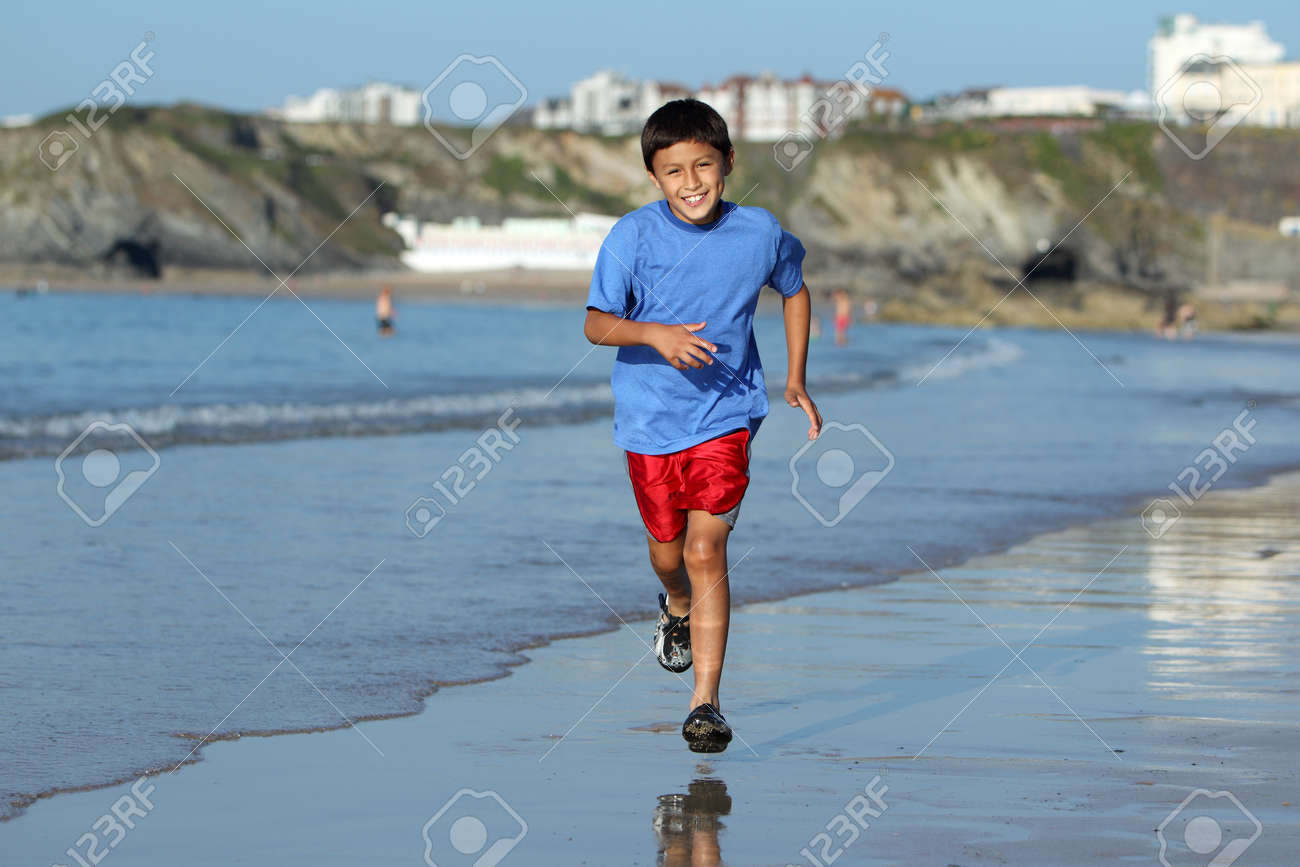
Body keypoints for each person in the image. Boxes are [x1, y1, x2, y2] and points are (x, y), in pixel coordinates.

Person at [583, 98, 821, 753]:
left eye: (704, 165)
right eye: (674, 171)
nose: (692, 182)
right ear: (654, 178)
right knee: (667, 554)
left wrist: (795, 376)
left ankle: (705, 702)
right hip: (649, 423)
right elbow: (597, 322)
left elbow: (794, 287)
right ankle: (675, 604)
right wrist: (654, 334)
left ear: (728, 164)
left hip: (728, 417)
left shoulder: (760, 232)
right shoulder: (632, 237)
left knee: (703, 548)